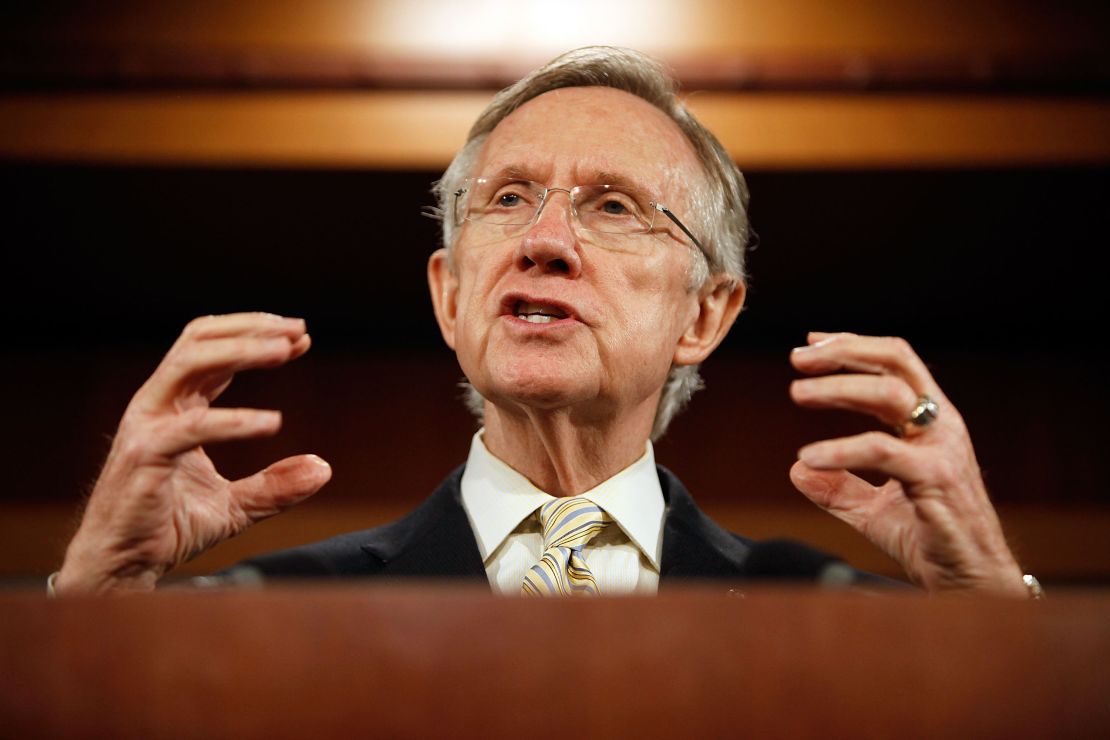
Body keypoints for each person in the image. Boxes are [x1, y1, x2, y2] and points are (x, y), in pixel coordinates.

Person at [52, 46, 1033, 598]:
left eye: (612, 206)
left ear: (705, 312)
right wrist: (92, 609)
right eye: (508, 198)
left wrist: (995, 620)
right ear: (448, 291)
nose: (547, 240)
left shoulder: (839, 618)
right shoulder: (261, 614)